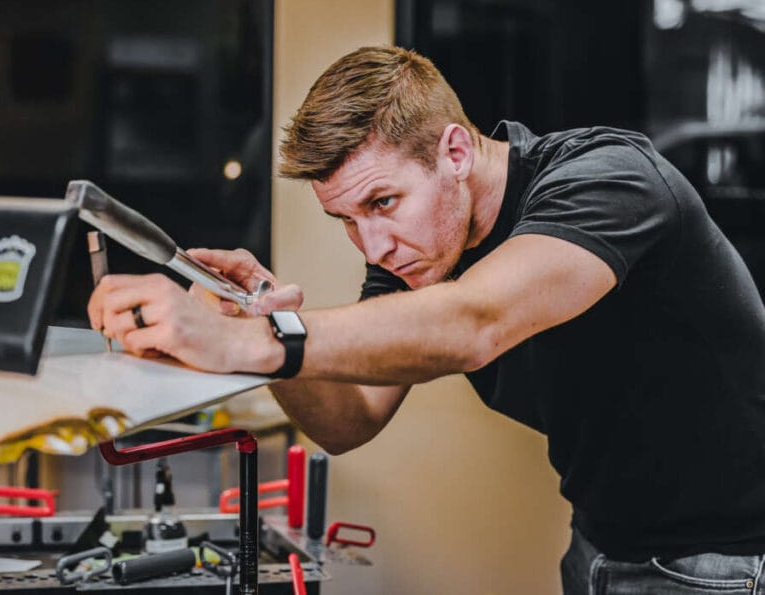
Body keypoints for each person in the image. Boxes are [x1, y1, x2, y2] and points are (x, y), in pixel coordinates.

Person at [88, 45, 765, 593]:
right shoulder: (417, 256)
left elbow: (479, 320)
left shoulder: (607, 180)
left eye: (383, 202)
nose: (372, 245)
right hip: (601, 546)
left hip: (725, 560)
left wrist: (250, 337)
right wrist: (257, 322)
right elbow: (349, 417)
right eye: (346, 221)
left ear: (457, 153)